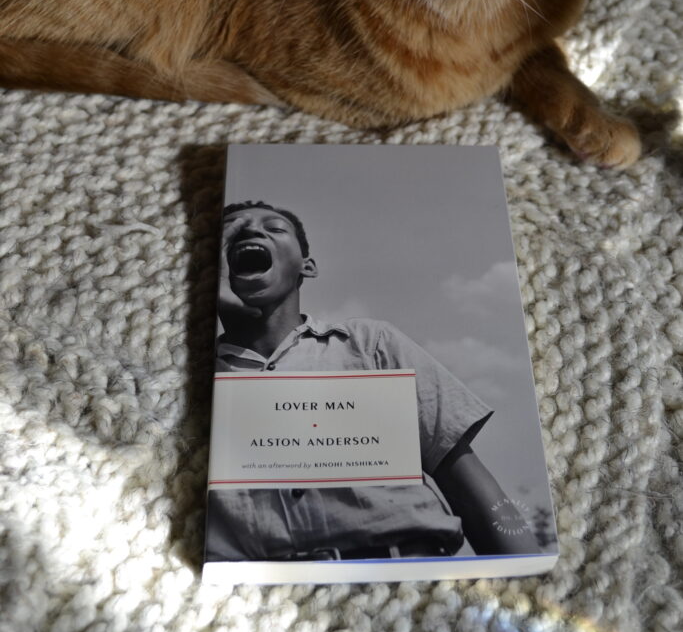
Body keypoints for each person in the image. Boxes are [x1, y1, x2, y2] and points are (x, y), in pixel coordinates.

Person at [205, 200, 540, 562]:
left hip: (406, 572)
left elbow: (464, 480)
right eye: (234, 232)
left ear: (308, 266)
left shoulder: (370, 345)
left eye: (274, 228)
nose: (252, 231)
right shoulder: (188, 378)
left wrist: (527, 578)